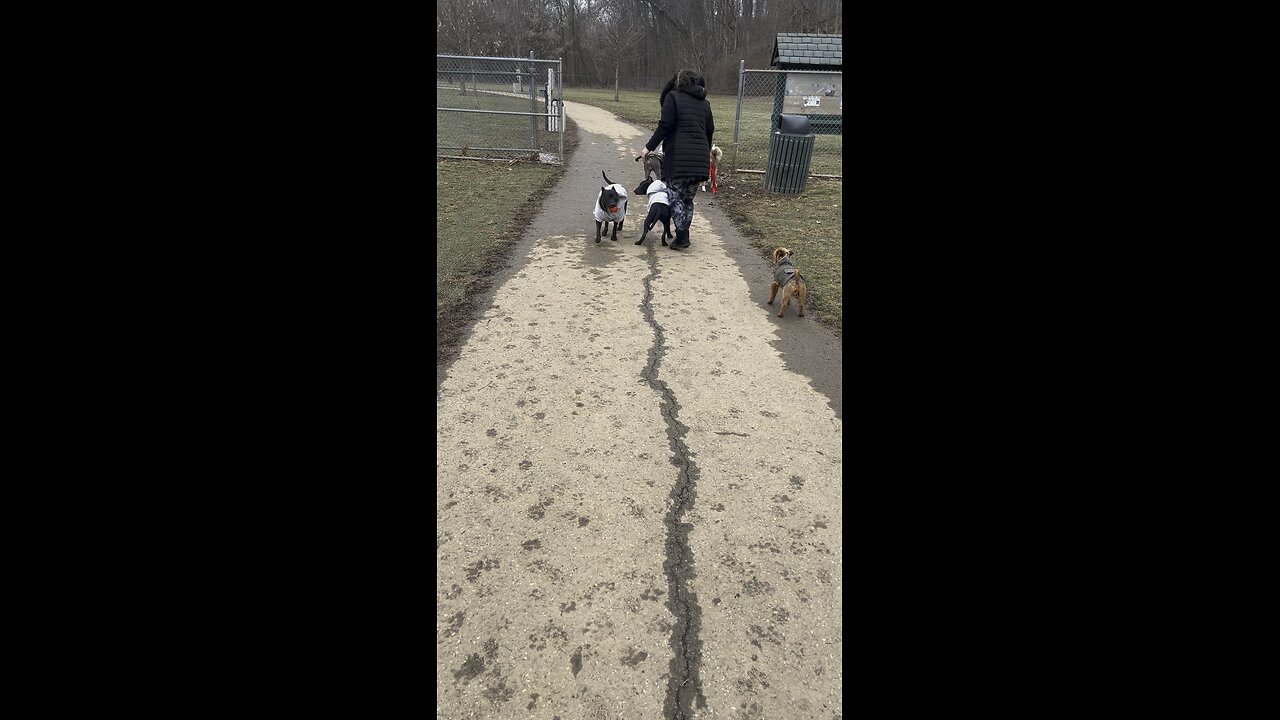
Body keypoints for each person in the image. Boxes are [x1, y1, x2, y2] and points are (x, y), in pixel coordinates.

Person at [640, 69, 714, 250]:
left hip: (679, 160)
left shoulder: (672, 97)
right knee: (688, 199)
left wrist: (649, 147)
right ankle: (684, 233)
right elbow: (710, 130)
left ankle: (682, 235)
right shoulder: (705, 103)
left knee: (674, 196)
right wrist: (704, 154)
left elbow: (665, 125)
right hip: (699, 161)